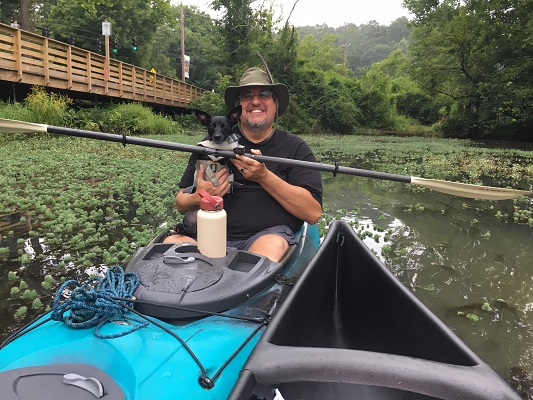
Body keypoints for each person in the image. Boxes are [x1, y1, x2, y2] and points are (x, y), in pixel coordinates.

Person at [164, 67, 323, 262]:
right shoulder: (208, 144)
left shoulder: (295, 148)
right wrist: (198, 197)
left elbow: (313, 213)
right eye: (247, 96)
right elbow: (181, 204)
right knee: (170, 242)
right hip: (206, 235)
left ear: (276, 104)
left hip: (266, 237)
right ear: (238, 109)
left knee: (270, 247)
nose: (256, 101)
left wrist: (264, 177)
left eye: (264, 94)